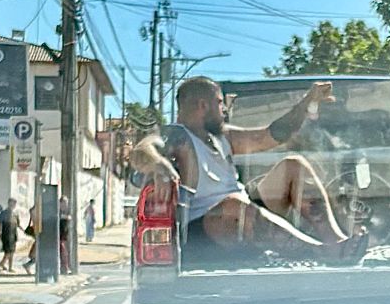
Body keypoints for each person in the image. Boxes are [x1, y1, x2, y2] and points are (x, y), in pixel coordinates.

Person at [131, 77, 367, 263]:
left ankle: (337, 242)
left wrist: (307, 103)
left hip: (242, 212)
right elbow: (143, 149)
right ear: (203, 105)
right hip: (205, 230)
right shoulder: (178, 135)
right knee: (233, 205)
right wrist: (158, 165)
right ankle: (321, 252)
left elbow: (273, 135)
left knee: (293, 165)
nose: (224, 110)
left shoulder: (223, 137)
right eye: (220, 103)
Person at [0, 198, 20, 273]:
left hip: (13, 233)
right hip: (6, 233)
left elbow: (18, 224)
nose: (13, 205)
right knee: (8, 251)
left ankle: (10, 267)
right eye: (12, 203)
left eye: (14, 204)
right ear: (9, 203)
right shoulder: (4, 213)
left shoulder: (15, 214)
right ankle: (2, 263)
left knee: (12, 251)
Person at [23, 203, 37, 274]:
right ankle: (28, 264)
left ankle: (28, 264)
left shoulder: (33, 211)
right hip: (37, 231)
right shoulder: (35, 211)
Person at [58, 195, 70, 274]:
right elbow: (59, 217)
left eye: (67, 203)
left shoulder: (65, 211)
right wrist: (66, 217)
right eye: (65, 203)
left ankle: (64, 268)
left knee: (64, 252)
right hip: (59, 236)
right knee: (63, 252)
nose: (66, 205)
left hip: (64, 236)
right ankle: (64, 268)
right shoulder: (58, 211)